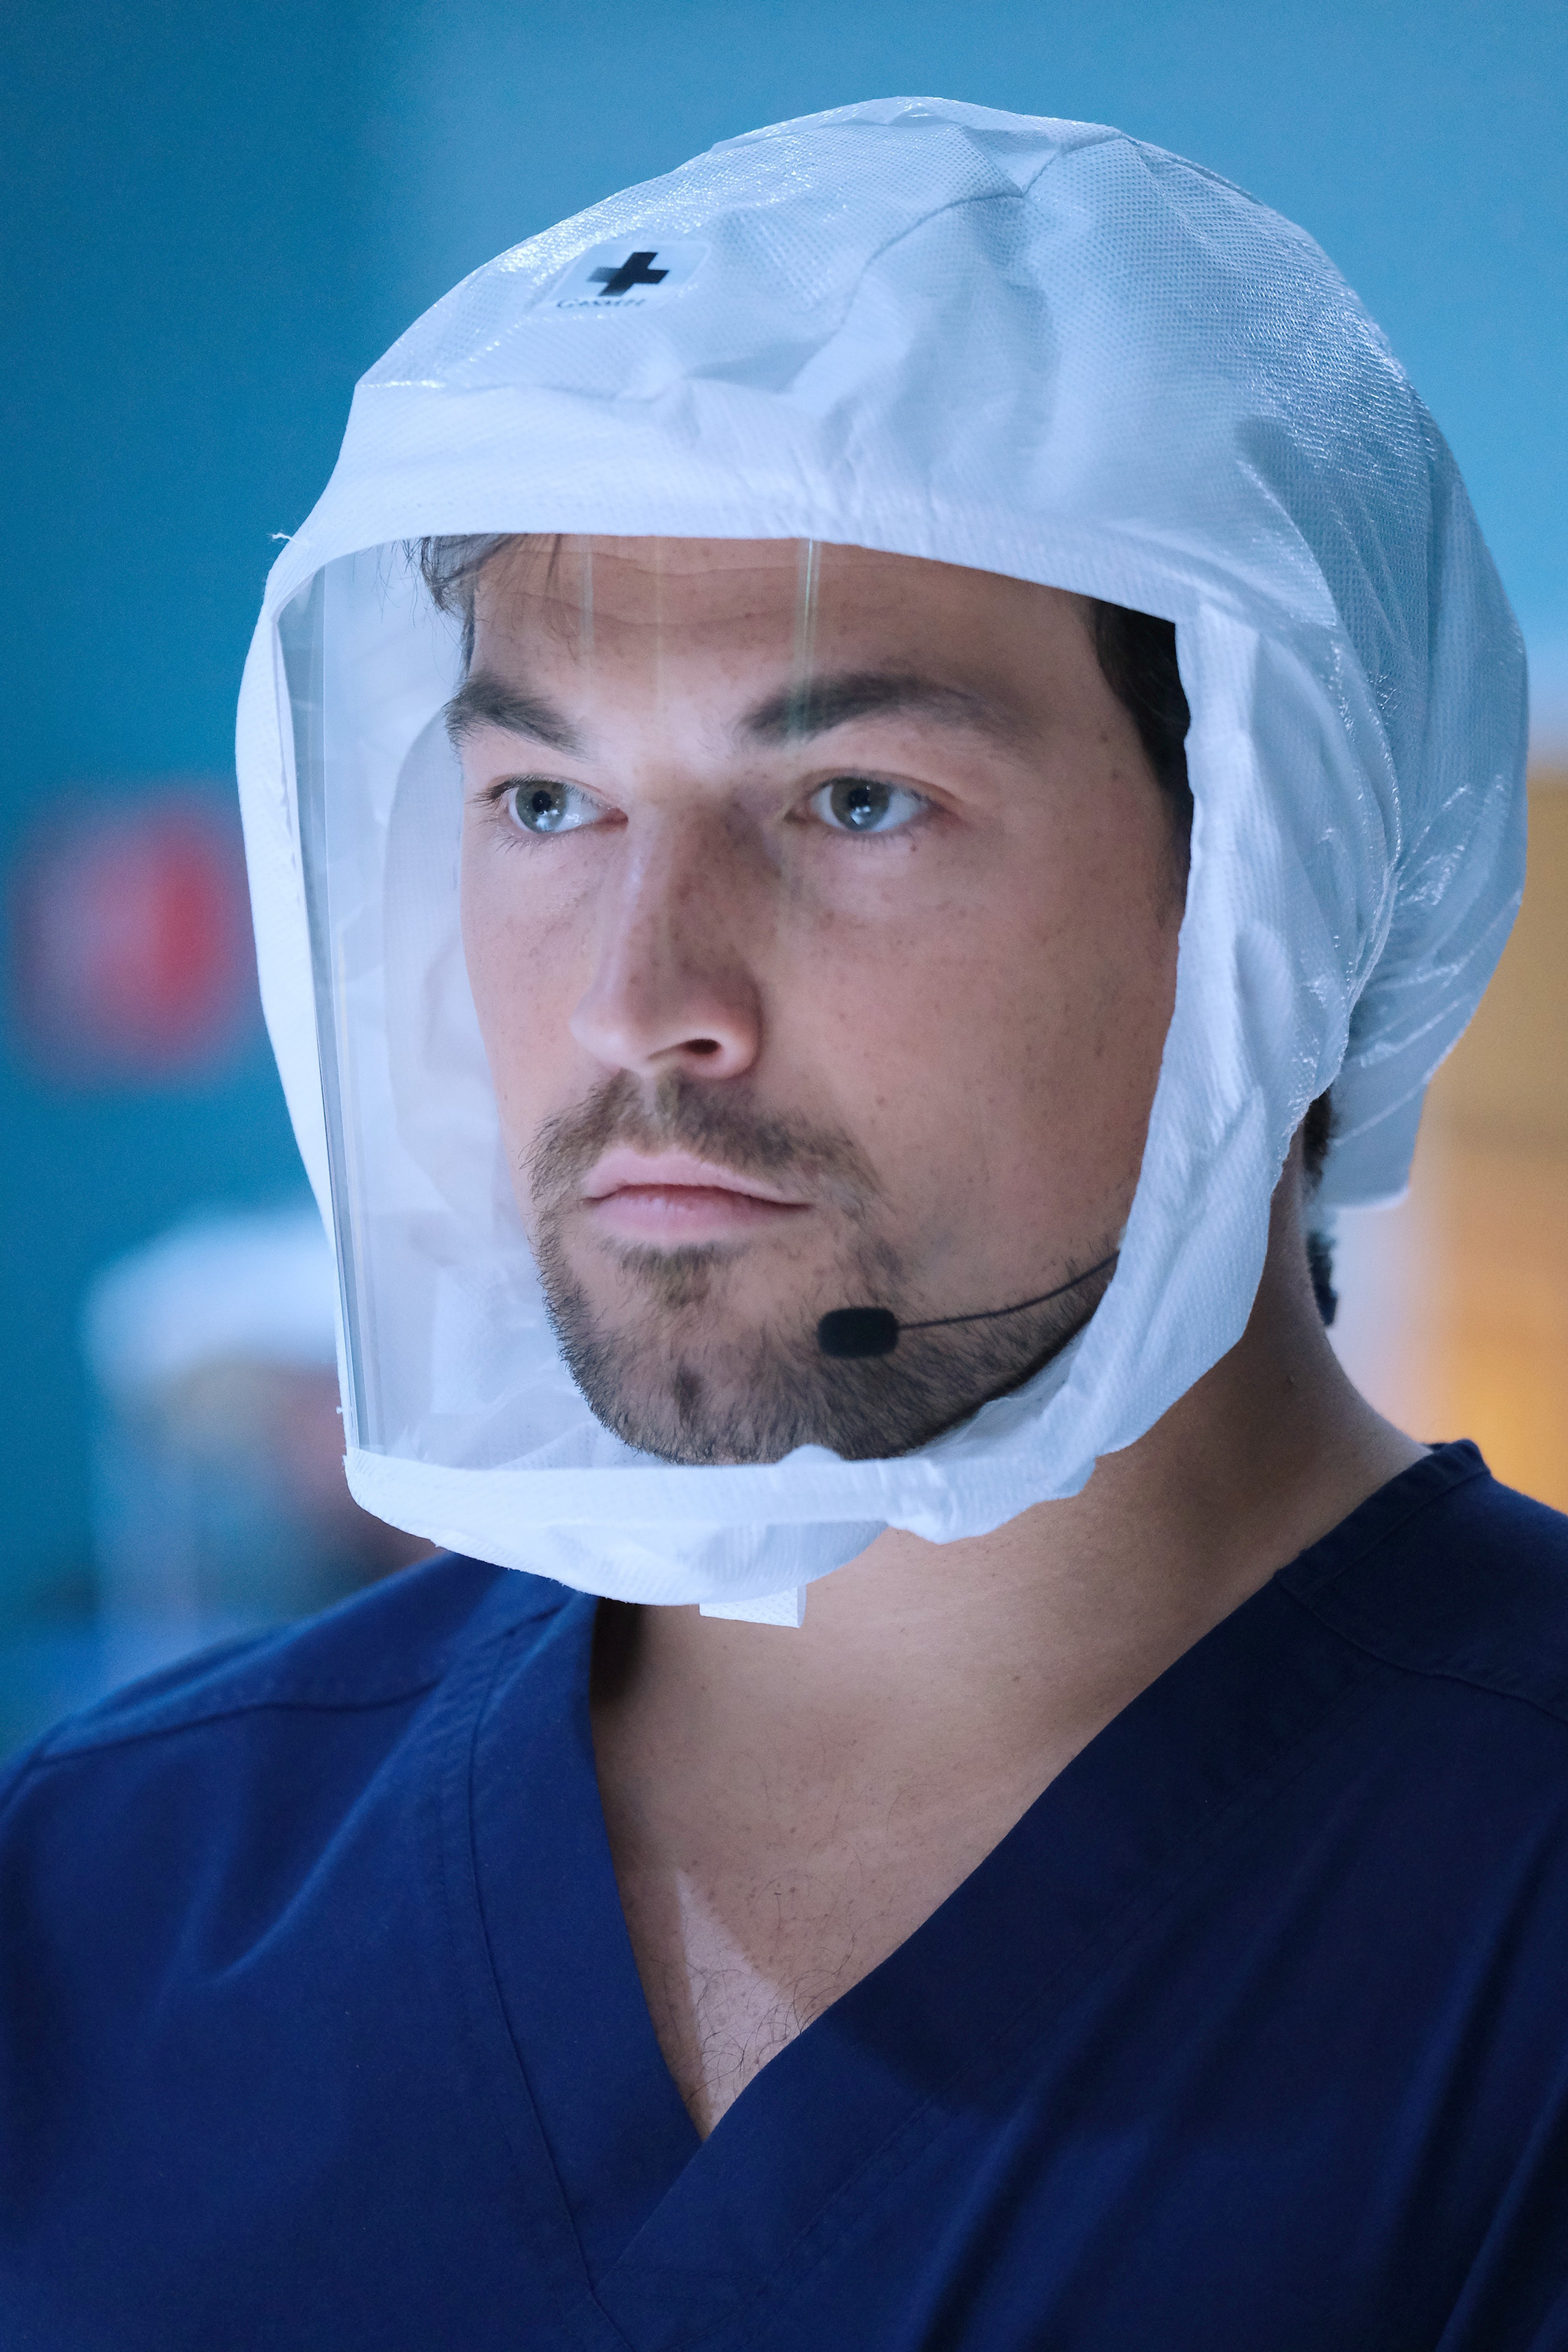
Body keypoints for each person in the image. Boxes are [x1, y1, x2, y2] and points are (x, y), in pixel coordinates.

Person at [2, 98, 1561, 2351]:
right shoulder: (114, 1892)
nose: (645, 998)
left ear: (1292, 893)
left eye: (854, 799)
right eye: (546, 799)